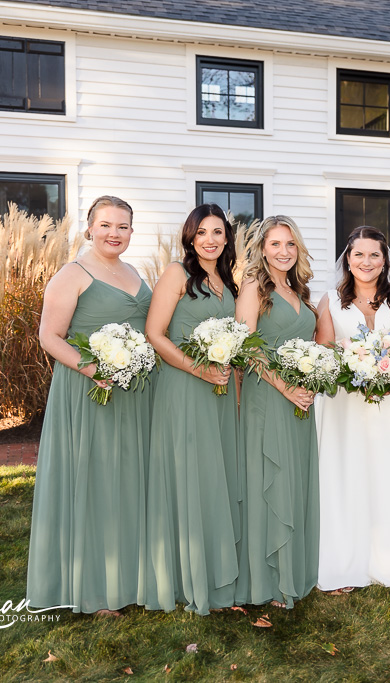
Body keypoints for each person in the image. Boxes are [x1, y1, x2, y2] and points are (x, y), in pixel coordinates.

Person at [27, 195, 152, 615]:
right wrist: (93, 368)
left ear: (132, 232)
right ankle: (94, 589)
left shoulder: (135, 272)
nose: (114, 233)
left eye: (123, 227)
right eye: (106, 225)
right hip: (90, 392)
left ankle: (130, 577)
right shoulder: (73, 274)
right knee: (96, 484)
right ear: (89, 228)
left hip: (135, 394)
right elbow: (49, 336)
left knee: (129, 483)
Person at [314, 226, 390, 591]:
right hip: (345, 404)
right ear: (347, 258)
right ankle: (345, 559)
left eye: (374, 255)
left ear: (385, 260)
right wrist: (355, 368)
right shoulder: (329, 301)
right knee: (348, 471)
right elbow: (326, 352)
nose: (366, 262)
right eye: (358, 254)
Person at [143, 204, 242, 614]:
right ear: (190, 237)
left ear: (227, 238)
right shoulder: (176, 274)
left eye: (218, 232)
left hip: (219, 392)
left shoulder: (229, 283)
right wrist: (198, 370)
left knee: (213, 477)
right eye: (202, 232)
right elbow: (154, 333)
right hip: (184, 388)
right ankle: (188, 578)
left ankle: (217, 574)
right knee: (190, 477)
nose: (210, 240)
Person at [234, 215, 320, 608]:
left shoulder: (298, 289)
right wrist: (285, 387)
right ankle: (268, 579)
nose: (284, 252)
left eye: (290, 244)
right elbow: (244, 345)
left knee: (294, 477)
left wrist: (312, 379)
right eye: (275, 244)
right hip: (268, 395)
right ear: (261, 249)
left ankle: (292, 568)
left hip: (299, 398)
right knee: (270, 476)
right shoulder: (254, 285)